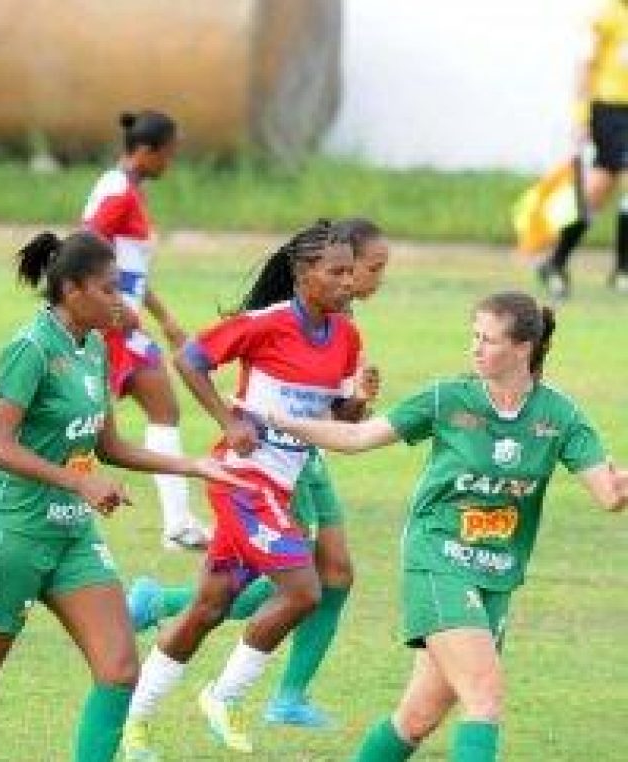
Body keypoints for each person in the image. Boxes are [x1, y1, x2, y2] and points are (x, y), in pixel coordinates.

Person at [0, 231, 240, 762]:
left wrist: (194, 465)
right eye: (108, 290)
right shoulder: (31, 348)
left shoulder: (96, 346)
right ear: (72, 290)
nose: (120, 302)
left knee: (120, 671)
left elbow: (110, 445)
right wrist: (80, 481)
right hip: (10, 537)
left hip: (71, 536)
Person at [248, 290, 627, 761]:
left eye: (488, 340)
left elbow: (609, 494)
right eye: (474, 337)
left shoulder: (559, 416)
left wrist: (621, 483)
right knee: (484, 698)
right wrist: (275, 418)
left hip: (497, 575)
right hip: (438, 559)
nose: (476, 348)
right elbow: (359, 436)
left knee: (417, 718)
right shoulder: (448, 398)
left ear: (523, 348)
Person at [125, 218, 390, 729]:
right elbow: (189, 359)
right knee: (305, 590)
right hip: (243, 480)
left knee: (212, 604)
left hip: (285, 480)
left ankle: (135, 713)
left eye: (351, 273)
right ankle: (224, 698)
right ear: (301, 274)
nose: (347, 283)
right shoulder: (266, 324)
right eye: (336, 273)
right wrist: (229, 421)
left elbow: (333, 426)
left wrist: (358, 400)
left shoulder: (346, 338)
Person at [81, 110, 209, 550]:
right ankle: (175, 522)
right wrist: (114, 305)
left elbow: (128, 267)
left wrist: (163, 315)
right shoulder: (117, 193)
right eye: (170, 152)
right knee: (87, 418)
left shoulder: (126, 189)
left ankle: (178, 523)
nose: (172, 161)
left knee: (158, 410)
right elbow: (83, 250)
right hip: (114, 326)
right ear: (147, 151)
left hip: (124, 322)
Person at [537, 0, 628, 299]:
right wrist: (580, 116)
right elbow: (584, 67)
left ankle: (555, 261)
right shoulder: (603, 16)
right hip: (612, 110)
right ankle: (622, 272)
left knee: (597, 190)